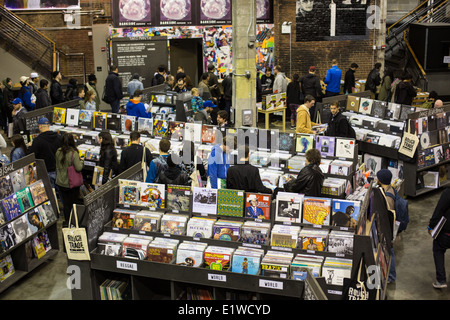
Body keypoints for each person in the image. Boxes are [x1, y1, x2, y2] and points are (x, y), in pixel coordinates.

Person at [55, 132, 84, 222]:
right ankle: (73, 221)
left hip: (60, 182)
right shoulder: (73, 153)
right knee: (73, 203)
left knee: (66, 204)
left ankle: (67, 221)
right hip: (71, 184)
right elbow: (78, 168)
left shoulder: (58, 151)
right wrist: (82, 161)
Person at [27, 117, 61, 189]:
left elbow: (32, 155)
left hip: (46, 171)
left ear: (40, 126)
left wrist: (30, 146)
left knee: (51, 193)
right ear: (49, 126)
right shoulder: (58, 137)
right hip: (58, 170)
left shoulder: (37, 140)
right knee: (60, 192)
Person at [376, 169, 396, 283]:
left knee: (390, 249)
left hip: (388, 227)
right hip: (389, 226)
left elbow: (388, 212)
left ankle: (391, 276)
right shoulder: (390, 189)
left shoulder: (387, 196)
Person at [428, 188, 450, 289]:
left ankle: (441, 280)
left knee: (438, 249)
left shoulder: (447, 193)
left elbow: (439, 210)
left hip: (446, 232)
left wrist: (431, 226)